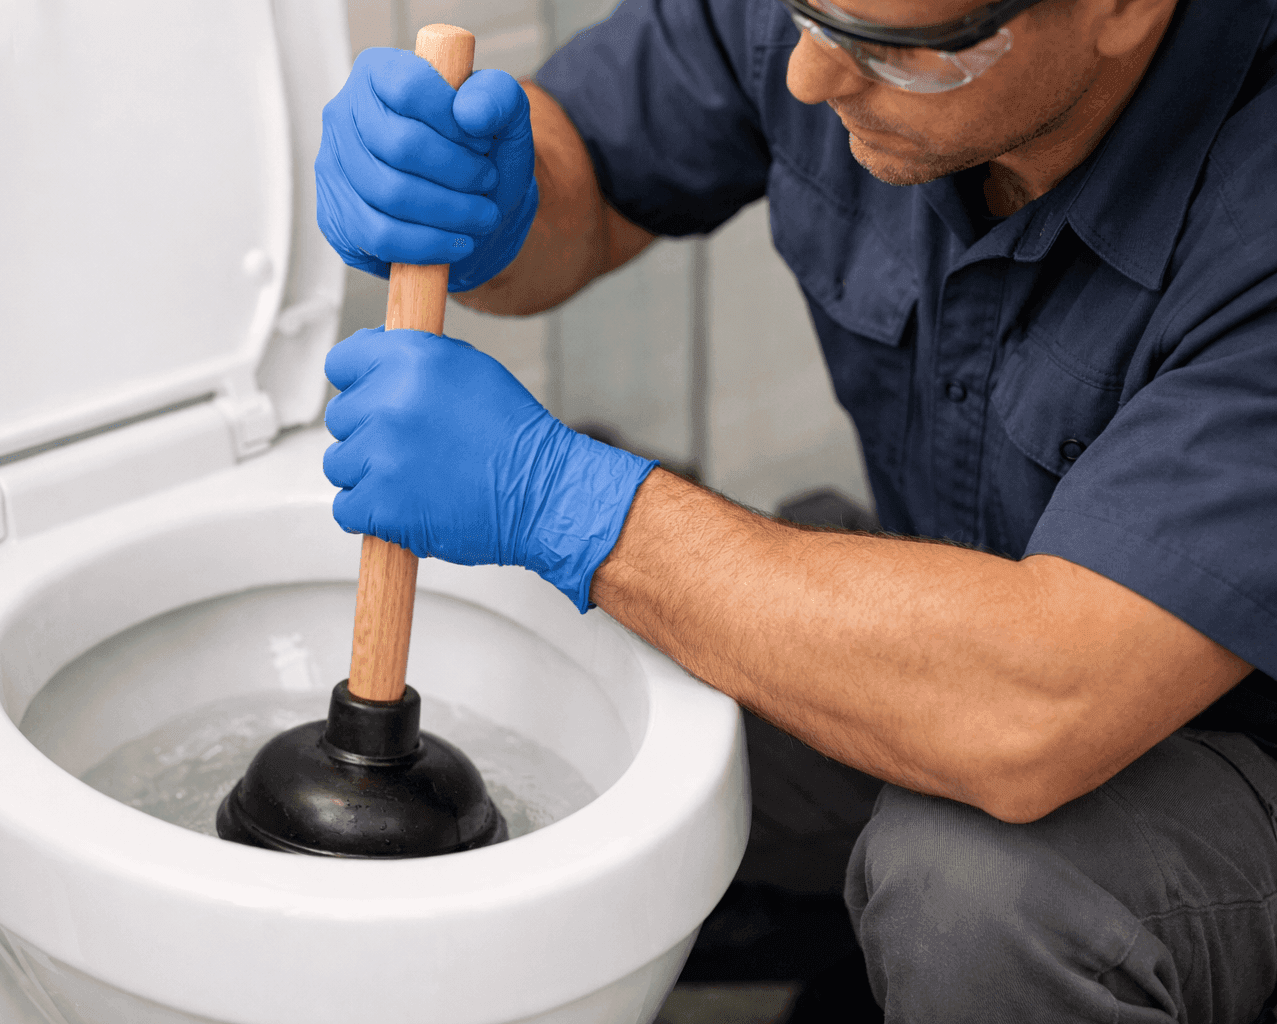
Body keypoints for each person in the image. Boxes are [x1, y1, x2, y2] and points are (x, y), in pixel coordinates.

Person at [313, 0, 1277, 1018]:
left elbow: (1040, 703)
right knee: (532, 670)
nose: (811, 77)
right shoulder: (848, 13)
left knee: (975, 896)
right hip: (958, 634)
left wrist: (567, 500)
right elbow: (583, 181)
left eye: (894, 51)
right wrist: (486, 195)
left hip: (1217, 751)